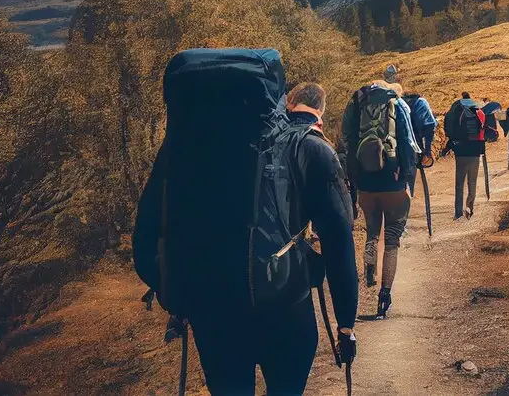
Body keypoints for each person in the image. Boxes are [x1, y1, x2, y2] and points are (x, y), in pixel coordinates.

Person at [134, 53, 357, 396]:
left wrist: (180, 298)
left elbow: (146, 236)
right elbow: (339, 240)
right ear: (276, 92)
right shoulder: (309, 148)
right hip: (287, 310)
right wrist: (345, 324)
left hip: (214, 317)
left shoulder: (182, 149)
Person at [342, 80, 419, 319]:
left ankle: (369, 274)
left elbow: (345, 140)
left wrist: (353, 178)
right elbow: (407, 142)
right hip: (393, 181)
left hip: (366, 182)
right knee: (393, 241)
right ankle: (384, 297)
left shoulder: (356, 102)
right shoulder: (396, 104)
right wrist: (407, 173)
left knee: (372, 233)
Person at [444, 92, 485, 220]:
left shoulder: (456, 110)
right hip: (475, 151)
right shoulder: (478, 110)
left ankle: (458, 212)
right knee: (472, 182)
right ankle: (470, 207)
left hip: (460, 152)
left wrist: (450, 145)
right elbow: (483, 131)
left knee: (459, 183)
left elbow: (449, 129)